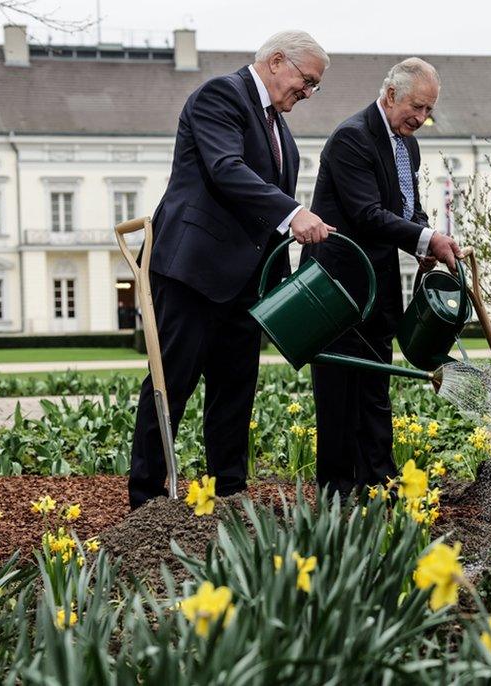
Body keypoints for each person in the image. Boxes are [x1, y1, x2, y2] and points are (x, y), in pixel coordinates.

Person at [129, 30, 335, 509]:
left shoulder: (281, 130)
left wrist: (286, 286)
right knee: (171, 383)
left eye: (313, 88)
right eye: (306, 82)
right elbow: (225, 168)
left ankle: (230, 493)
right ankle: (145, 500)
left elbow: (264, 224)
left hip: (245, 284)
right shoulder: (221, 95)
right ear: (278, 61)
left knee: (235, 390)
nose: (306, 93)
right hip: (192, 272)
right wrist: (293, 212)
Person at [301, 57, 461, 497]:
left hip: (377, 287)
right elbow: (368, 215)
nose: (422, 118)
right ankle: (337, 492)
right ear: (391, 95)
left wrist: (425, 241)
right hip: (334, 287)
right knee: (337, 392)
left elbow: (408, 209)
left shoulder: (407, 144)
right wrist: (427, 239)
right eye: (417, 107)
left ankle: (379, 480)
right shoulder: (352, 139)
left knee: (375, 386)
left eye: (429, 110)